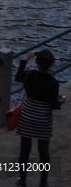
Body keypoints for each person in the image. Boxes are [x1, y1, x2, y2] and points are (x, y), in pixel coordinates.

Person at [14, 48, 66, 187]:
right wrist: (60, 101)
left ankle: (22, 179)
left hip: (27, 116)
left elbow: (18, 77)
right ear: (50, 65)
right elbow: (53, 105)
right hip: (43, 119)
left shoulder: (29, 75)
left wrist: (24, 61)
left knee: (25, 149)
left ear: (36, 62)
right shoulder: (53, 82)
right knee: (44, 151)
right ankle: (43, 181)